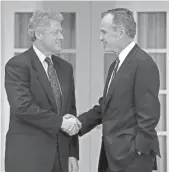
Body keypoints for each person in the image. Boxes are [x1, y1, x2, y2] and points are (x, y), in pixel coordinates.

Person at [65, 8, 161, 172]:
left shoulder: (143, 63)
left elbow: (149, 114)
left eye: (104, 32)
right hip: (112, 157)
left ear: (120, 32)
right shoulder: (115, 66)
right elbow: (106, 107)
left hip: (132, 160)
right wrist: (79, 123)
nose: (100, 38)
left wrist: (137, 151)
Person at [4, 9, 81, 172]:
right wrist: (60, 123)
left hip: (61, 159)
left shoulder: (66, 68)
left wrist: (72, 153)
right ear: (39, 34)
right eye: (56, 32)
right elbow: (23, 108)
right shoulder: (18, 65)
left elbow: (70, 111)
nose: (61, 37)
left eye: (61, 31)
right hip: (28, 159)